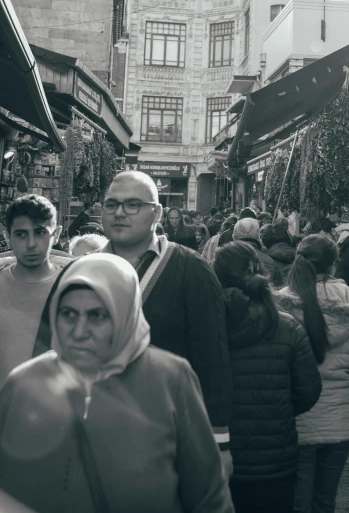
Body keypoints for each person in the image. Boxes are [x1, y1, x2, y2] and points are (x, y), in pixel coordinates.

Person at [34, 171, 234, 478]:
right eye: (112, 204)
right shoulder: (77, 272)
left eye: (132, 205)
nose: (119, 213)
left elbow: (212, 361)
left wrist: (219, 443)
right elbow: (47, 348)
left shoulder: (191, 271)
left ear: (156, 212)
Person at [0, 253, 233, 513]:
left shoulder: (171, 379)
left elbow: (209, 498)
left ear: (125, 316)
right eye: (68, 313)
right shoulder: (24, 383)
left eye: (97, 315)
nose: (79, 331)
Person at [214, 242, 321, 513]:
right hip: (276, 457)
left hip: (218, 455)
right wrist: (276, 408)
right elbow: (308, 391)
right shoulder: (287, 327)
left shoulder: (205, 326)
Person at [275, 234, 349, 513]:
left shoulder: (283, 303)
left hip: (296, 417)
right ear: (333, 265)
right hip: (340, 417)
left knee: (297, 499)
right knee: (325, 500)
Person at [0, 195, 69, 389]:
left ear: (56, 235)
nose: (31, 244)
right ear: (8, 237)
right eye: (21, 234)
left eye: (40, 233)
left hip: (55, 408)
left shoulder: (74, 286)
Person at [232, 218, 279, 283]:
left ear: (233, 237)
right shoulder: (270, 262)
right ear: (258, 237)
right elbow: (276, 290)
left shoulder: (222, 259)